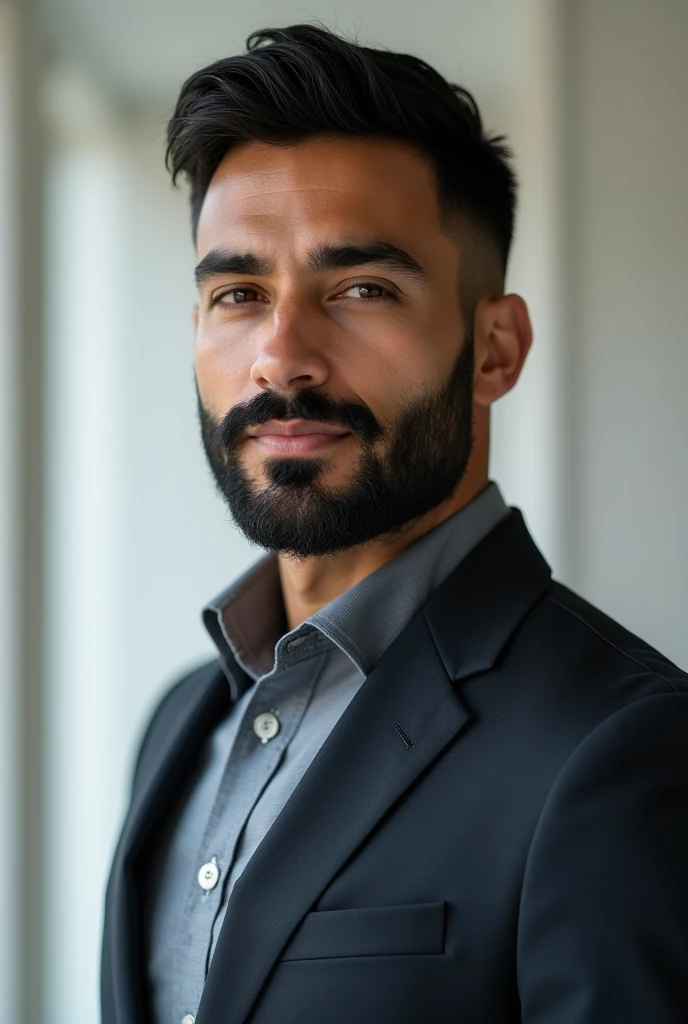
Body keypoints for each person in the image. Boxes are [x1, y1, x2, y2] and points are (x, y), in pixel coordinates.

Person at [100, 23, 688, 1024]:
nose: (280, 358)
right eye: (238, 293)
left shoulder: (623, 746)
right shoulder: (178, 724)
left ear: (495, 348)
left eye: (361, 290)